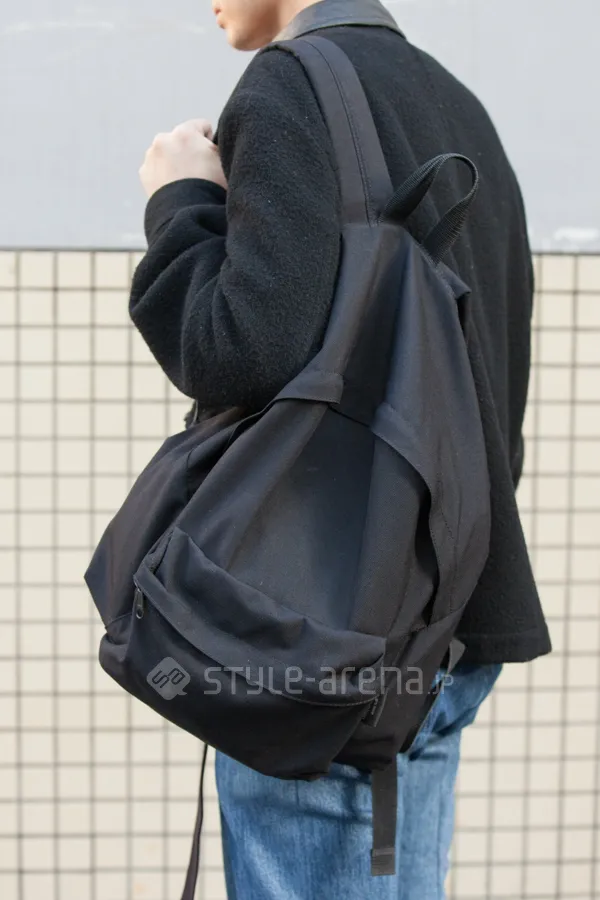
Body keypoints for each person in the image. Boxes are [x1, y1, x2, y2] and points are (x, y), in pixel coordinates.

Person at [129, 1, 551, 896]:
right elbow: (493, 378)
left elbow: (235, 350)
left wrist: (180, 200)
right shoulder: (458, 104)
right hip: (446, 628)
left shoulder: (290, 86)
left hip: (325, 635)